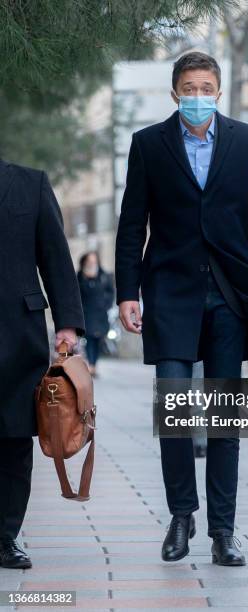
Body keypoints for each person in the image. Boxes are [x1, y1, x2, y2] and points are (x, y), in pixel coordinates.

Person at [115, 51, 248, 566]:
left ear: (219, 91)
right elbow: (131, 226)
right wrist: (129, 292)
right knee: (172, 408)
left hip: (230, 296)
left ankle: (223, 530)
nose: (197, 95)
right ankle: (181, 515)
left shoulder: (245, 141)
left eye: (206, 87)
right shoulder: (148, 144)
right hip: (169, 292)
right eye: (188, 87)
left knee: (223, 417)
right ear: (175, 94)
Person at [0, 161, 85, 570]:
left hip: (18, 333)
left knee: (15, 437)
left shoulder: (30, 183)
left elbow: (55, 256)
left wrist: (67, 325)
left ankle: (5, 537)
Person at [77, 251, 114, 377]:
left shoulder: (104, 276)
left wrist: (106, 305)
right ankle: (91, 365)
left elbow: (110, 292)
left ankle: (94, 364)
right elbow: (77, 293)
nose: (92, 263)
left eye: (94, 261)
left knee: (98, 340)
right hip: (87, 313)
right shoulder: (80, 276)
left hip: (100, 314)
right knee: (89, 339)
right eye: (89, 261)